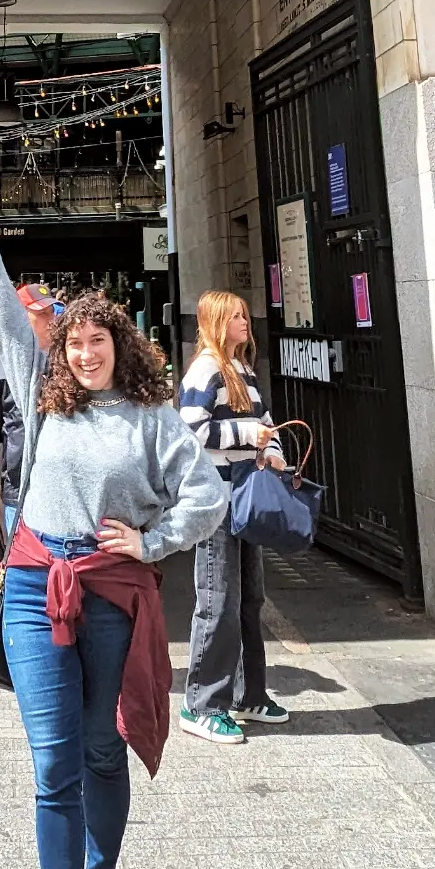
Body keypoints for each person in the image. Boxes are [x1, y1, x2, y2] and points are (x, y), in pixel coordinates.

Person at [0, 189, 227, 869]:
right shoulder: (46, 399)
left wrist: (151, 539)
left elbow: (209, 496)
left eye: (97, 340)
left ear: (120, 348)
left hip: (111, 590)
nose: (84, 351)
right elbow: (7, 326)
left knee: (101, 744)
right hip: (38, 583)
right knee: (54, 761)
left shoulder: (153, 419)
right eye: (74, 342)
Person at [177, 291, 290, 743]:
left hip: (243, 496)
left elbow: (266, 420)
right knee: (218, 601)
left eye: (245, 315)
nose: (247, 321)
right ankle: (202, 704)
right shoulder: (206, 369)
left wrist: (273, 449)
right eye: (238, 316)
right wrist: (251, 434)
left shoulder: (241, 369)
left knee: (247, 600)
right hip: (218, 500)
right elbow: (189, 429)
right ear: (218, 323)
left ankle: (248, 694)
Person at [0, 281, 57, 526]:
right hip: (18, 483)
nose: (51, 320)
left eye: (51, 312)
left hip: (61, 483)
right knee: (20, 556)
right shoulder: (2, 366)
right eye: (41, 314)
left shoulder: (67, 359)